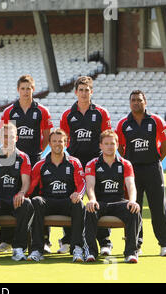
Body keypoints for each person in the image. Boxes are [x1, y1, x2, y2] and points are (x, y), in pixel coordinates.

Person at [115, 90, 166, 257]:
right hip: (132, 171)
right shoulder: (123, 124)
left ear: (145, 102)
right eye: (133, 100)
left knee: (158, 207)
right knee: (134, 207)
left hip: (153, 168)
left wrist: (156, 159)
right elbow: (119, 147)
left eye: (139, 100)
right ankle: (136, 245)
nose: (136, 103)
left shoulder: (156, 121)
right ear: (129, 103)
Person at [59, 76, 112, 255]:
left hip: (96, 162)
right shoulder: (67, 114)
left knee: (98, 199)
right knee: (72, 199)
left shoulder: (101, 113)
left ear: (92, 91)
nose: (83, 93)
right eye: (80, 90)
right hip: (74, 163)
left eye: (87, 89)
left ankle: (104, 240)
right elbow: (63, 140)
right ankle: (68, 240)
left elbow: (106, 136)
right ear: (75, 92)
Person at [0, 74, 53, 252]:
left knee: (38, 197)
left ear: (33, 89)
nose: (25, 91)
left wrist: (36, 152)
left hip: (35, 159)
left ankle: (43, 240)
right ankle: (6, 240)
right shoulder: (9, 111)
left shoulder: (42, 111)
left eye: (28, 88)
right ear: (18, 90)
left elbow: (46, 136)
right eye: (22, 88)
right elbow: (4, 135)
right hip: (12, 160)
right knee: (10, 194)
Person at [28, 129, 86, 262]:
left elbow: (81, 184)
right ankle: (37, 249)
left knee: (79, 204)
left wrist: (78, 194)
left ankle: (77, 248)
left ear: (66, 143)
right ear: (49, 143)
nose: (57, 144)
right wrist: (23, 196)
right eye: (54, 141)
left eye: (60, 141)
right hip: (48, 201)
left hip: (67, 201)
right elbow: (30, 187)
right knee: (36, 201)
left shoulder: (74, 162)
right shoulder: (40, 165)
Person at [84, 129, 141, 263]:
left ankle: (131, 253)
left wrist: (133, 201)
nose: (110, 146)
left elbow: (131, 185)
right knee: (89, 210)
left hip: (119, 202)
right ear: (101, 146)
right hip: (100, 202)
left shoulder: (125, 163)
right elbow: (90, 185)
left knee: (134, 210)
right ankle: (91, 252)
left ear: (117, 144)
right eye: (106, 143)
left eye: (112, 143)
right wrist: (92, 200)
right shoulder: (92, 164)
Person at [0, 123, 34, 261]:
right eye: (4, 136)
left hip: (15, 200)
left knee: (27, 204)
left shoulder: (23, 157)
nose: (7, 140)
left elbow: (26, 182)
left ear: (16, 138)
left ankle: (18, 248)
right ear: (0, 138)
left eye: (10, 137)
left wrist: (22, 193)